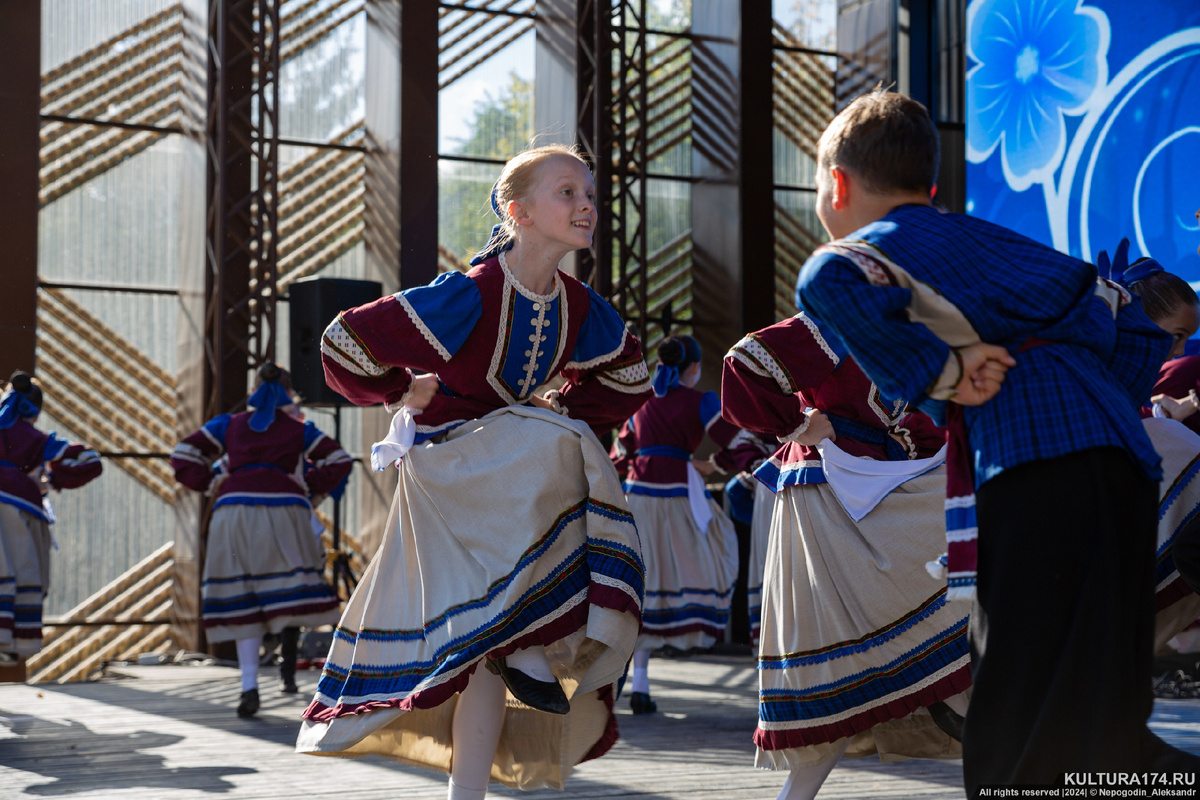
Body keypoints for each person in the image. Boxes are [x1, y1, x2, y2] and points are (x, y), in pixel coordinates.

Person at [793, 88, 1200, 790]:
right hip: (1124, 467)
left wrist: (947, 373)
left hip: (1033, 461)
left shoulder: (873, 250)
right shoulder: (1007, 246)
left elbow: (824, 282)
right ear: (932, 183)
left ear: (837, 185)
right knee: (1106, 684)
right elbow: (1133, 325)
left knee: (1018, 679)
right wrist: (1096, 391)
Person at [295, 143, 652, 800]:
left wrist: (565, 400)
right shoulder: (469, 294)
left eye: (589, 194)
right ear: (518, 211)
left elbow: (631, 377)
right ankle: (533, 638)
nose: (587, 206)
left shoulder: (579, 305)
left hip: (509, 469)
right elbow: (342, 342)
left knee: (487, 650)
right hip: (451, 464)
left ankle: (474, 776)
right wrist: (400, 388)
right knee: (558, 442)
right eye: (567, 192)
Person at [722, 313, 968, 800]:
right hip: (831, 502)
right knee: (847, 661)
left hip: (888, 498)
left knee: (932, 637)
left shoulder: (918, 328)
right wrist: (797, 424)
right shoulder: (836, 319)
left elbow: (919, 423)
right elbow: (742, 366)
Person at [171, 363, 351, 717]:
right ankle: (288, 667)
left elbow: (182, 455)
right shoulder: (300, 430)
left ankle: (249, 686)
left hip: (233, 512)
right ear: (289, 394)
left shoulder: (228, 424)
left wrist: (212, 482)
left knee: (243, 601)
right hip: (285, 512)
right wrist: (308, 486)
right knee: (286, 593)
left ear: (254, 389)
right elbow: (339, 460)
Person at [609, 334, 755, 714]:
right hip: (677, 498)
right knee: (715, 553)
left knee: (644, 585)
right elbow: (740, 442)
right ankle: (638, 682)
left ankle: (637, 681)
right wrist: (715, 466)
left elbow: (619, 455)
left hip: (638, 498)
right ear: (694, 368)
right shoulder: (700, 400)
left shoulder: (640, 399)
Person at [0, 371, 102, 661]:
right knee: (20, 579)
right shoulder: (35, 439)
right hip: (18, 516)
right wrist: (51, 482)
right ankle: (11, 643)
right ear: (35, 410)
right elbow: (90, 461)